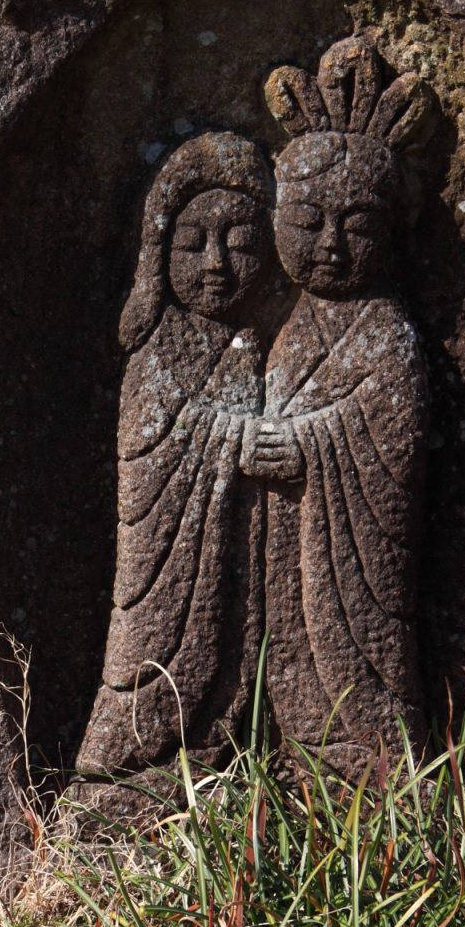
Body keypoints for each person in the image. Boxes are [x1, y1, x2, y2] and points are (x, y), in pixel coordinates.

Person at [72, 132, 280, 797]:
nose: (217, 263)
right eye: (194, 243)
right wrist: (238, 442)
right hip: (166, 561)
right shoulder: (159, 349)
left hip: (243, 549)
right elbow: (149, 457)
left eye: (240, 242)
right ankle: (132, 766)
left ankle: (234, 747)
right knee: (153, 641)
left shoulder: (263, 341)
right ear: (161, 254)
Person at [256, 37, 437, 774]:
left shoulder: (386, 333)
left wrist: (307, 446)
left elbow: (391, 440)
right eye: (307, 222)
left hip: (353, 561)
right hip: (285, 543)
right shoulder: (293, 331)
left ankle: (380, 774)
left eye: (356, 226)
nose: (330, 245)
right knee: (287, 655)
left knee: (358, 664)